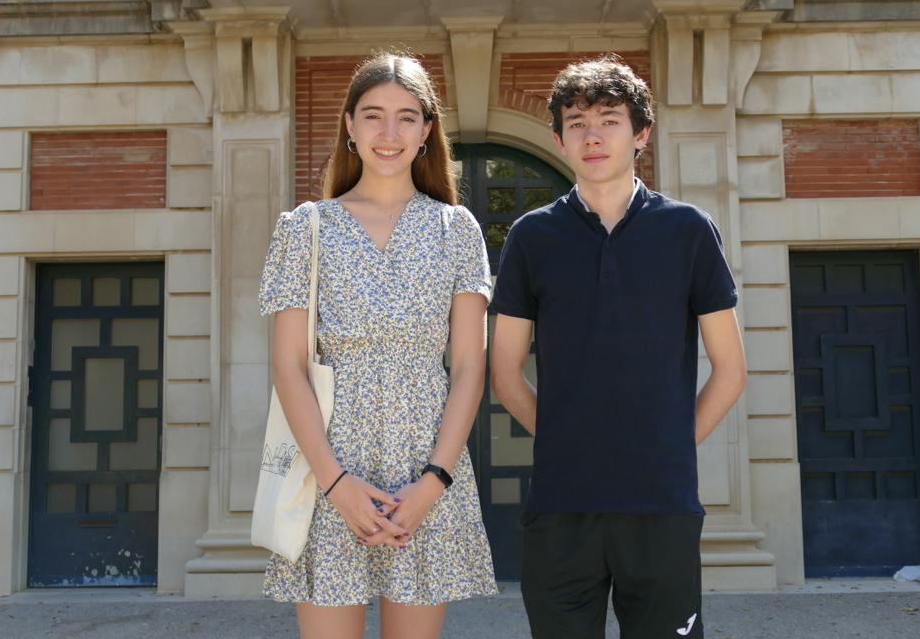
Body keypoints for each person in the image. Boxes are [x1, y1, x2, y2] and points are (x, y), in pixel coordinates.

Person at [489, 56, 748, 639]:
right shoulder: (532, 236)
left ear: (641, 134)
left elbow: (730, 369)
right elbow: (505, 371)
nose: (593, 135)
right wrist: (564, 439)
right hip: (562, 501)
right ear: (558, 138)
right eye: (577, 122)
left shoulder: (689, 230)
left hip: (661, 502)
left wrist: (667, 447)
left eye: (609, 118)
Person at [257, 52, 498, 639]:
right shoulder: (305, 227)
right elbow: (288, 367)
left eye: (406, 117)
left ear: (426, 132)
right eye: (373, 116)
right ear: (349, 126)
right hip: (329, 475)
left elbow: (469, 367)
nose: (389, 133)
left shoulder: (457, 229)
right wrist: (336, 484)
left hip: (425, 474)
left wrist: (432, 483)